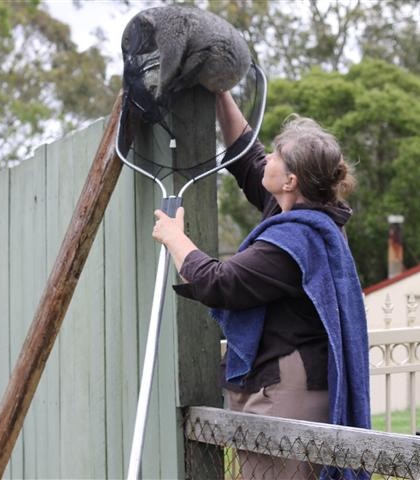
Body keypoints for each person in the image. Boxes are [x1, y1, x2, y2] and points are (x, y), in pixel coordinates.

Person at [152, 92, 370, 479]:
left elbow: (220, 283)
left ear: (290, 180)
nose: (267, 158)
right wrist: (219, 91)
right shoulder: (302, 214)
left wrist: (174, 237)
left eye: (277, 156)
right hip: (287, 381)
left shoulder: (295, 243)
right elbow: (245, 156)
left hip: (287, 390)